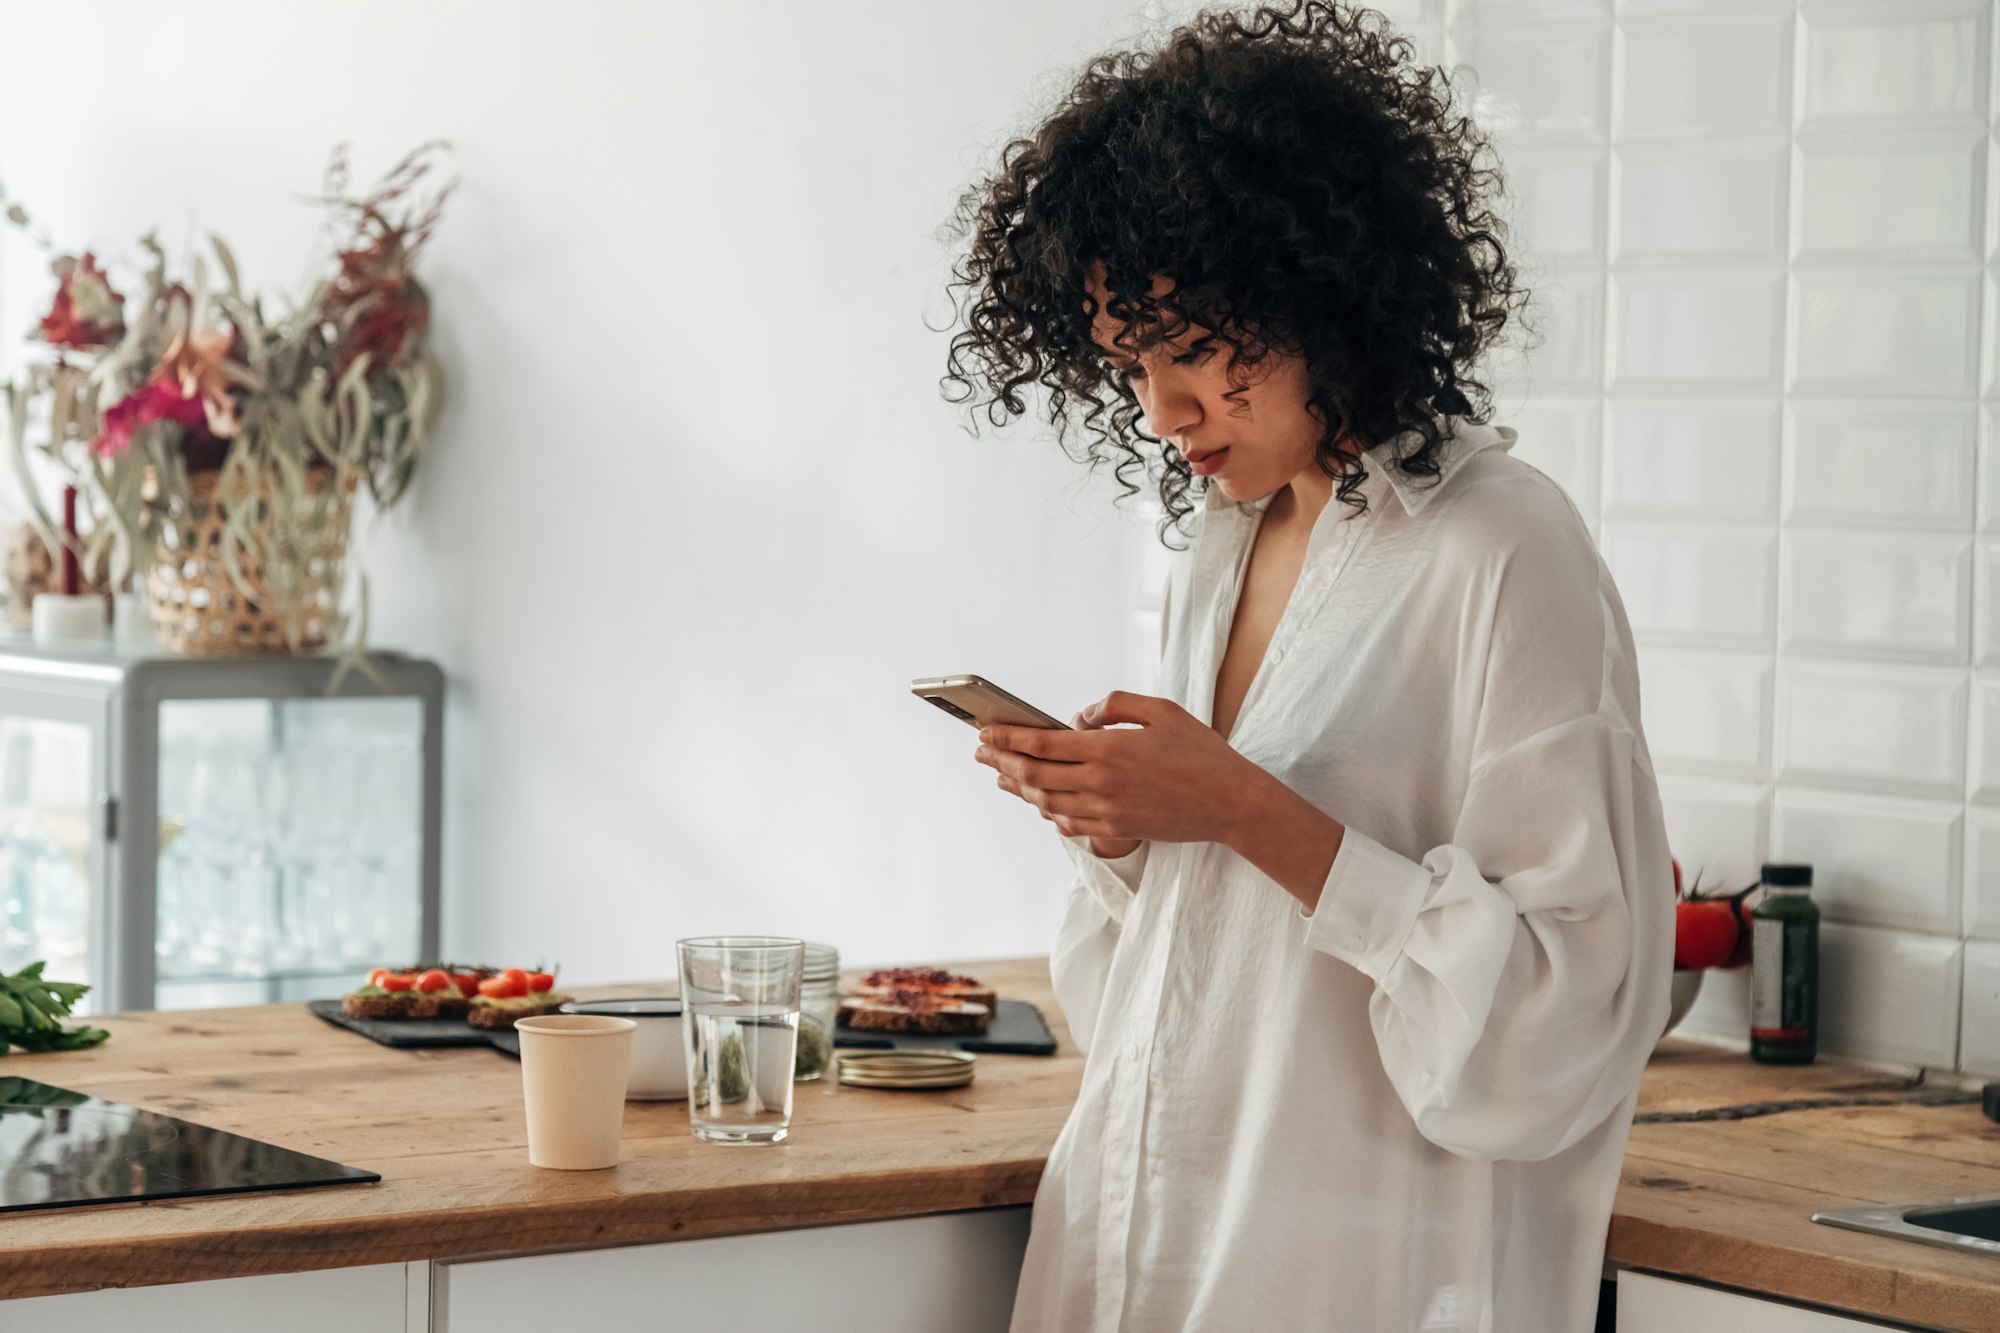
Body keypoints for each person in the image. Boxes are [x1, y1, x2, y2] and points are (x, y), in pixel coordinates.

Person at [939, 3, 1673, 1330]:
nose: (1163, 413)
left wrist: (1233, 806)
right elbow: (1184, 993)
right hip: (1147, 1256)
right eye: (1132, 364)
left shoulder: (1505, 552)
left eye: (1197, 349)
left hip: (1354, 1279)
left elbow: (1566, 1025)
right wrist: (1120, 830)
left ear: (1321, 289)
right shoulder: (1231, 538)